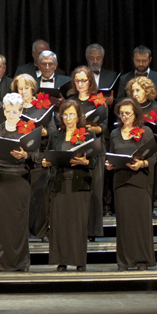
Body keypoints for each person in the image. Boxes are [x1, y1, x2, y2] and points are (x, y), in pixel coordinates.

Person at [42, 100, 97, 271]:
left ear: (78, 116)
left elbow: (94, 161)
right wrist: (46, 162)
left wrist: (84, 161)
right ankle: (61, 261)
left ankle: (79, 261)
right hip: (59, 183)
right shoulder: (55, 135)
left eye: (71, 114)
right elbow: (49, 155)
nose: (68, 118)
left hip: (79, 184)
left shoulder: (87, 135)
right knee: (59, 224)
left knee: (77, 224)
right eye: (64, 115)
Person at [105, 98, 156, 271]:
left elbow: (153, 158)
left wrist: (142, 164)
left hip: (139, 182)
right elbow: (111, 156)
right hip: (121, 182)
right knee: (125, 223)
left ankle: (142, 260)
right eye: (122, 113)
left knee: (140, 223)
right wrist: (109, 165)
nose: (125, 116)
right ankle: (124, 261)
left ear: (136, 114)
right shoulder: (115, 133)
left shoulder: (146, 131)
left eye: (128, 113)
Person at [0, 93, 35, 271]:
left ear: (21, 111)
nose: (11, 114)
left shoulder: (28, 129)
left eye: (15, 111)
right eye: (8, 111)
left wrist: (26, 155)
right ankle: (0, 262)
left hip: (19, 180)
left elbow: (36, 156)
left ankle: (21, 262)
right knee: (0, 224)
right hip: (0, 180)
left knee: (18, 223)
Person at [13, 74, 56, 240]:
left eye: (26, 88)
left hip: (39, 155)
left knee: (39, 195)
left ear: (33, 89)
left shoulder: (42, 108)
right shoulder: (12, 107)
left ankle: (41, 231)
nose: (23, 92)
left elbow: (53, 132)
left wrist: (45, 132)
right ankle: (21, 231)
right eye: (20, 88)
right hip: (18, 156)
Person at [66, 66, 107, 239]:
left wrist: (94, 127)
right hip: (75, 146)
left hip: (93, 146)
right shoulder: (70, 100)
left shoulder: (98, 101)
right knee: (76, 188)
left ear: (90, 81)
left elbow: (104, 126)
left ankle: (93, 230)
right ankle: (76, 228)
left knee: (95, 188)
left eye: (84, 80)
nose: (80, 84)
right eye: (77, 80)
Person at [126, 75, 157, 219]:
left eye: (138, 90)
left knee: (154, 174)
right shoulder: (130, 108)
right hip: (132, 146)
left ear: (146, 91)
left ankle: (156, 206)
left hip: (151, 147)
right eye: (133, 91)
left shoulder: (156, 108)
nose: (134, 93)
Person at [116, 45, 157, 112]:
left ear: (150, 60)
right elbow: (119, 102)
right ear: (133, 59)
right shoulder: (124, 79)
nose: (141, 64)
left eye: (144, 60)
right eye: (137, 60)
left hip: (152, 119)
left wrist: (146, 104)